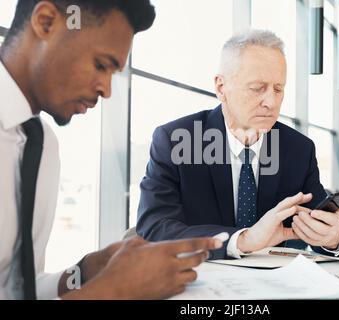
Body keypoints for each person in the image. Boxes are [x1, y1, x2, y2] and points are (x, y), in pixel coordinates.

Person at [0, 0, 222, 300]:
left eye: (113, 72)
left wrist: (88, 271)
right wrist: (113, 291)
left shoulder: (42, 144)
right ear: (46, 22)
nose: (106, 89)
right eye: (101, 64)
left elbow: (15, 289)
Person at [136, 29, 339, 260]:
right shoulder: (175, 141)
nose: (271, 102)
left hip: (276, 288)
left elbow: (322, 220)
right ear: (221, 88)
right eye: (257, 88)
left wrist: (334, 237)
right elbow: (155, 228)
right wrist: (243, 240)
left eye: (278, 89)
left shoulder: (297, 149)